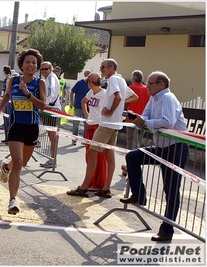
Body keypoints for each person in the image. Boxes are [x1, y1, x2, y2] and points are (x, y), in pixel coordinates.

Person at [120, 71, 190, 242]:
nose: (148, 86)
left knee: (171, 191)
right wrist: (138, 119)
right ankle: (139, 195)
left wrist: (144, 122)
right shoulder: (154, 98)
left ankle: (167, 230)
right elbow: (147, 117)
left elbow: (167, 122)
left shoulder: (168, 98)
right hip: (162, 147)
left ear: (161, 84)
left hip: (176, 149)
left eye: (150, 83)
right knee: (133, 157)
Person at [67, 58, 138, 198]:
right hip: (115, 124)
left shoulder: (112, 80)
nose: (101, 70)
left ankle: (84, 187)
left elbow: (118, 97)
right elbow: (131, 97)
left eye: (103, 67)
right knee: (108, 155)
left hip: (107, 123)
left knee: (92, 153)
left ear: (111, 68)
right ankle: (106, 188)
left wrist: (111, 111)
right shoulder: (122, 80)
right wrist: (116, 109)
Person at [0, 48, 46, 214]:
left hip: (32, 127)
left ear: (37, 66)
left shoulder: (39, 83)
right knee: (18, 162)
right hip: (16, 126)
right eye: (27, 62)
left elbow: (43, 105)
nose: (31, 65)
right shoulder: (14, 79)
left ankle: (5, 168)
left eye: (34, 63)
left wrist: (28, 94)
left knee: (21, 163)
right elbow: (7, 96)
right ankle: (12, 201)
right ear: (22, 65)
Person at [121, 70, 151, 175]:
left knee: (130, 144)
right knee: (138, 143)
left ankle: (129, 167)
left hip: (132, 120)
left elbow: (124, 103)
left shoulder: (131, 89)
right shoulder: (147, 89)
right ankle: (132, 166)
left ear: (133, 79)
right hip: (143, 121)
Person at [81, 72, 107, 191]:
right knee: (89, 155)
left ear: (91, 82)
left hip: (99, 126)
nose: (87, 83)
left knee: (99, 156)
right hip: (90, 125)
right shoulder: (91, 92)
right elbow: (83, 101)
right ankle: (91, 181)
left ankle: (99, 183)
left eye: (88, 81)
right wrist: (86, 114)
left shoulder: (104, 94)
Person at [38, 61, 61, 168]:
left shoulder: (51, 78)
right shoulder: (47, 78)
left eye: (46, 69)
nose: (43, 71)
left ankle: (53, 160)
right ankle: (52, 159)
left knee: (52, 136)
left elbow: (50, 92)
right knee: (50, 136)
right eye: (42, 69)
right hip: (48, 109)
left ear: (50, 69)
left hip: (52, 110)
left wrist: (44, 102)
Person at [70, 70, 91, 145]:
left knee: (86, 125)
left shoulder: (91, 84)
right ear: (85, 75)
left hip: (87, 108)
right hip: (78, 107)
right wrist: (71, 102)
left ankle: (84, 141)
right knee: (76, 124)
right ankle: (74, 139)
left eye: (90, 74)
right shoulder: (79, 83)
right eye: (87, 74)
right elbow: (72, 91)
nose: (89, 76)